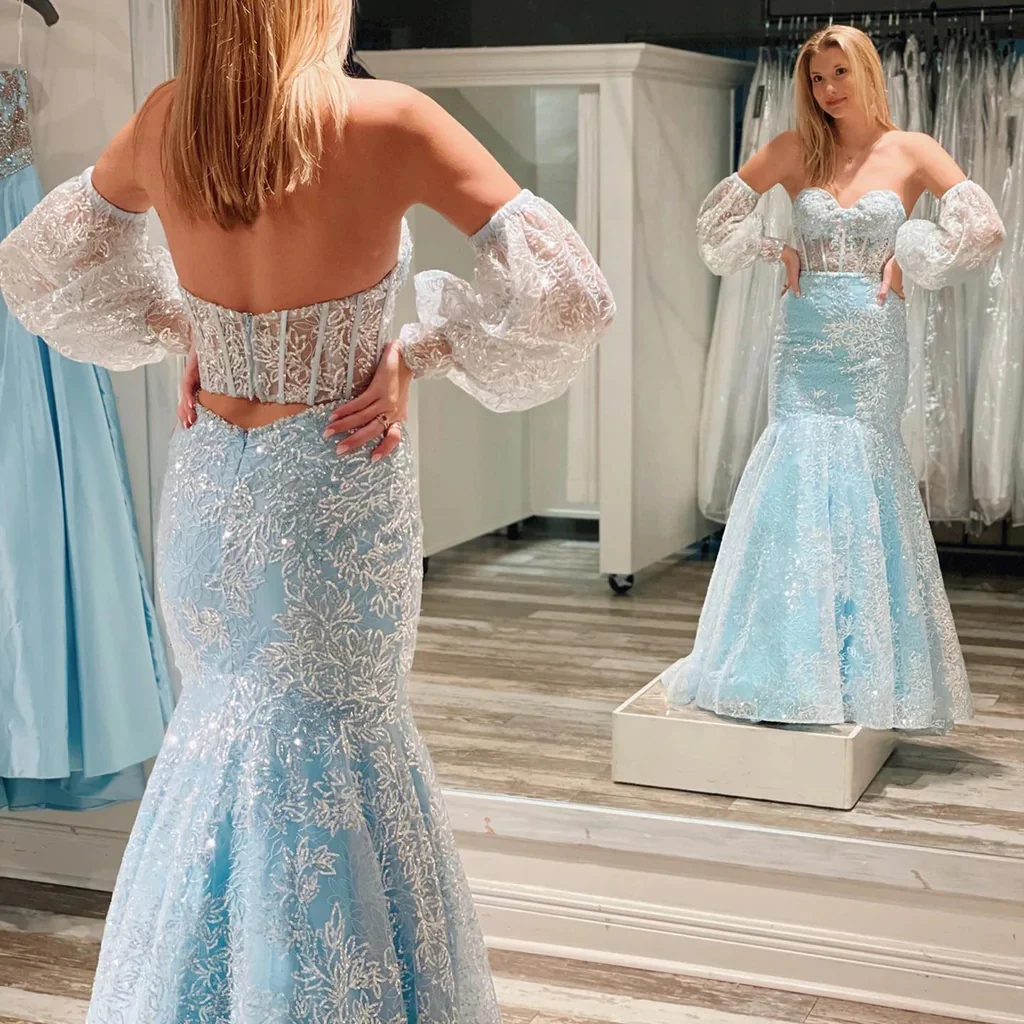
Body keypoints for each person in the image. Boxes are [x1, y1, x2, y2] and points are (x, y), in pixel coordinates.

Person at [0, 0, 615, 1020]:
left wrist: (187, 327)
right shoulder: (388, 119)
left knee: (220, 741)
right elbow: (570, 295)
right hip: (332, 485)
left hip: (210, 490)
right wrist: (421, 350)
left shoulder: (169, 120)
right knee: (335, 747)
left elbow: (36, 266)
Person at [661, 25, 1003, 733]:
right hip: (805, 335)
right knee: (795, 469)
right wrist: (774, 248)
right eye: (816, 79)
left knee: (862, 472)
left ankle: (861, 666)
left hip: (873, 340)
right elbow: (713, 223)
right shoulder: (795, 148)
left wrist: (910, 250)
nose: (828, 90)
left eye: (839, 73)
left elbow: (984, 228)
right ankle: (785, 662)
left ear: (868, 72)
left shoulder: (913, 150)